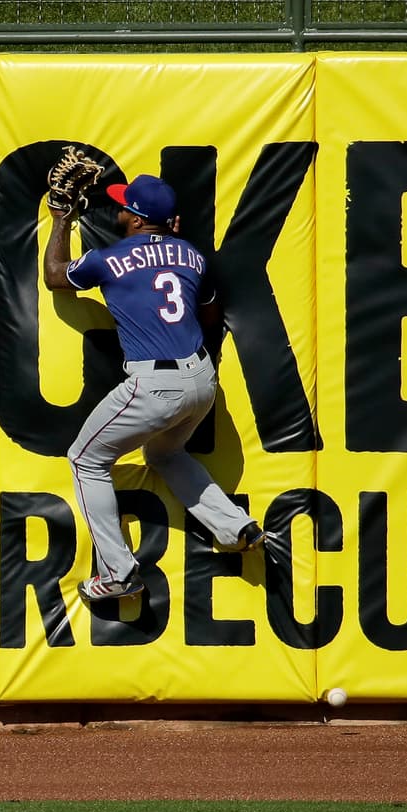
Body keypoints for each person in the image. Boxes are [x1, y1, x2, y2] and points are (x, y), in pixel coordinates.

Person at [43, 174, 265, 603]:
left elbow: (55, 275)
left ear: (139, 218)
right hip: (202, 377)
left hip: (156, 384)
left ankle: (118, 574)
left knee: (85, 459)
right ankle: (235, 526)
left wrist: (60, 221)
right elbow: (211, 309)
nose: (119, 210)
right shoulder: (191, 256)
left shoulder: (108, 258)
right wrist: (170, 250)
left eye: (125, 206)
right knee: (163, 453)